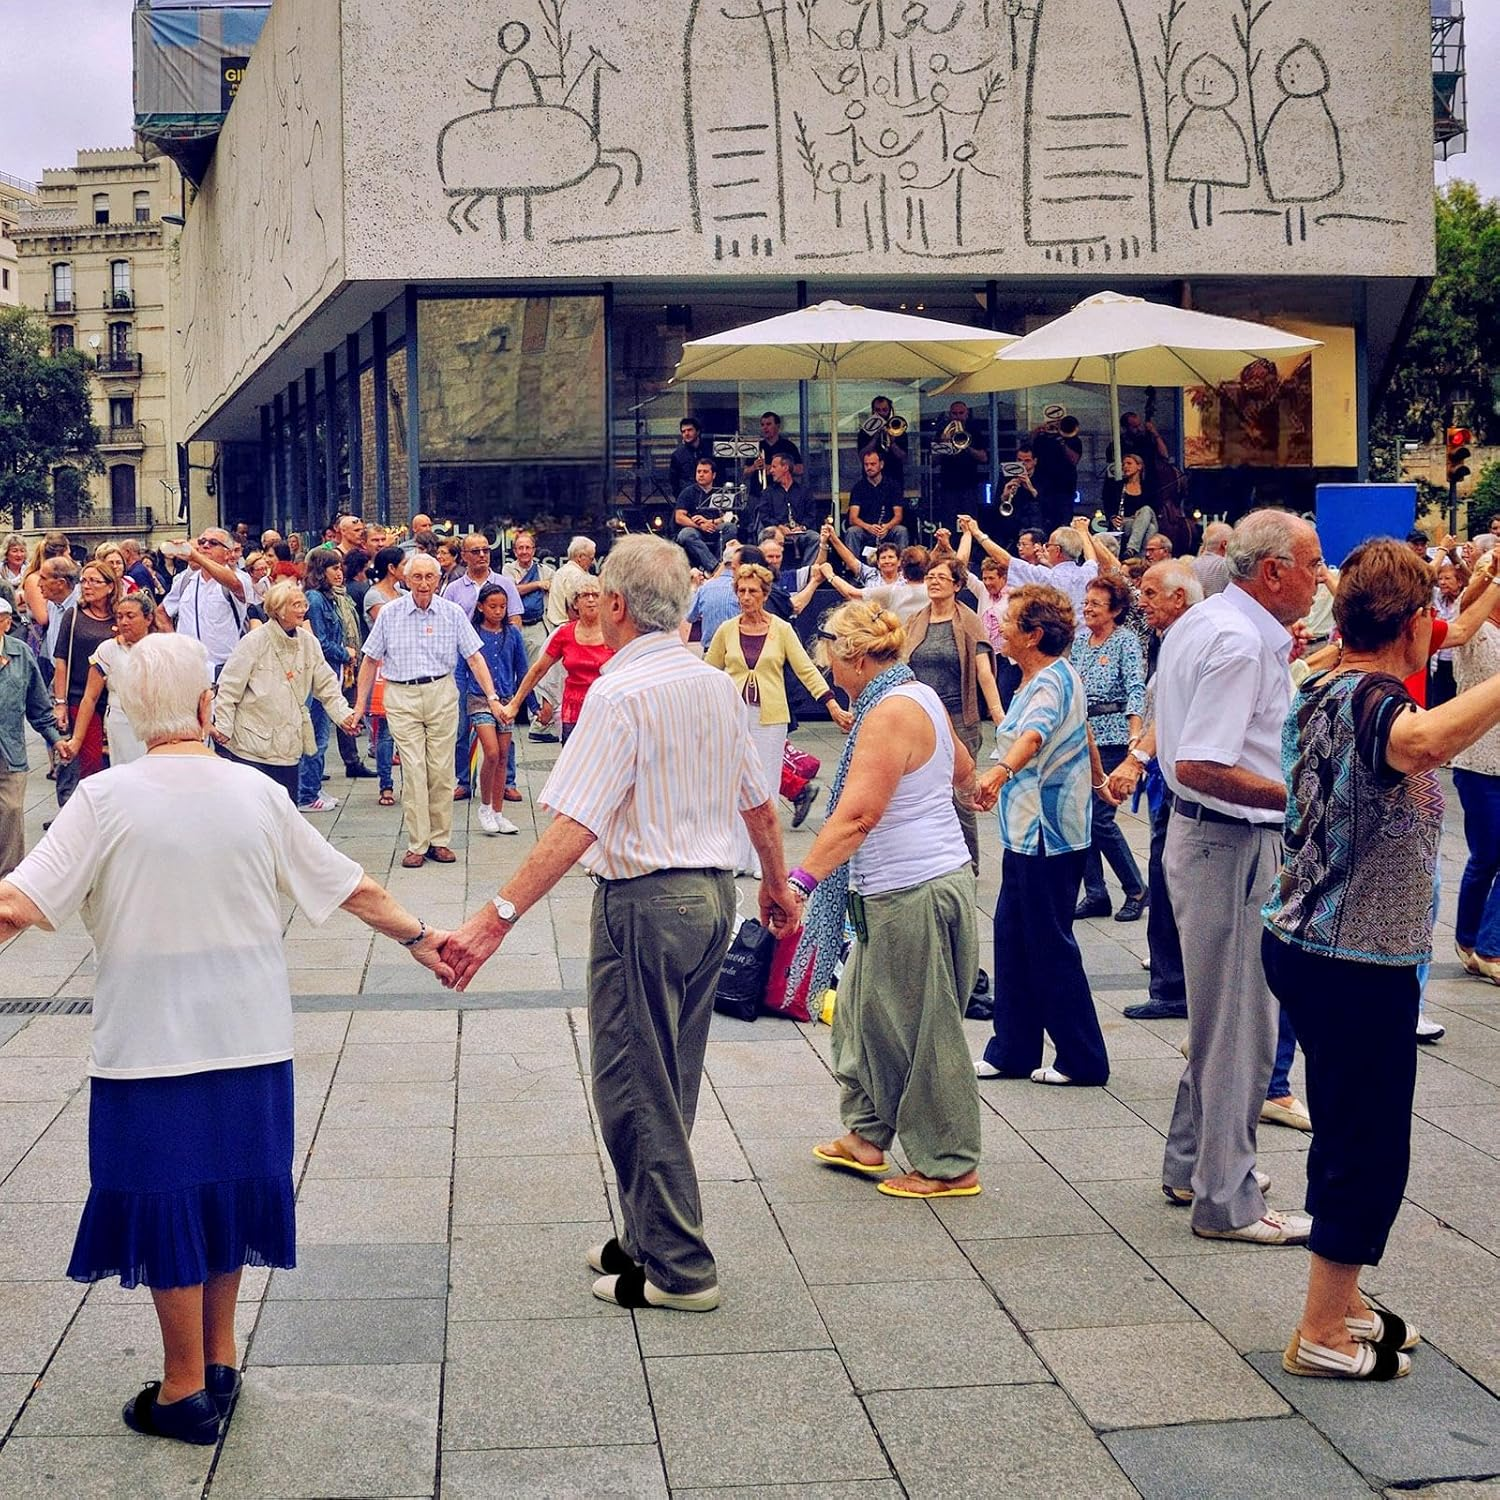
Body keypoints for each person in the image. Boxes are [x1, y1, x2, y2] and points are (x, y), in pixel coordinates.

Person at [0, 633, 452, 1445]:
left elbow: (15, 908)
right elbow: (352, 885)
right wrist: (424, 939)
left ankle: (181, 1393)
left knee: (168, 1200)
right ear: (210, 707)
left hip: (150, 1045)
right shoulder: (256, 795)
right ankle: (218, 1360)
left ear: (134, 715)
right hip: (252, 1039)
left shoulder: (103, 800)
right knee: (233, 1192)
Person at [438, 535, 797, 1313]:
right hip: (710, 898)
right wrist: (771, 881)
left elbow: (573, 825)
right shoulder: (710, 682)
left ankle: (678, 1266)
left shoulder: (617, 693)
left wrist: (493, 920)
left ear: (618, 606)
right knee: (669, 1074)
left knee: (634, 1082)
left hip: (646, 903)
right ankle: (643, 1233)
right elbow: (758, 802)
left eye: (599, 594)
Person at [1262, 538, 1500, 1379]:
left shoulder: (1328, 675)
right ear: (1410, 626)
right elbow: (1425, 743)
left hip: (1316, 943)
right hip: (1351, 958)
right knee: (1366, 1143)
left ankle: (1347, 1296)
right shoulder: (1368, 698)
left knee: (1349, 1123)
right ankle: (1324, 1328)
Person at [1154, 509, 1322, 1245]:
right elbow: (1201, 763)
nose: (1321, 579)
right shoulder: (1238, 640)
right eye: (1314, 566)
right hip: (1229, 841)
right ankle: (1226, 1199)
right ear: (1275, 571)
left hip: (1211, 841)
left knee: (1222, 1023)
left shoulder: (1214, 618)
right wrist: (1301, 794)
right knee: (1240, 1032)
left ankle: (1197, 1164)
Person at [781, 600, 983, 1198]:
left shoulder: (890, 711)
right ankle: (867, 1135)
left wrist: (800, 881)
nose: (827, 672)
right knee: (865, 1016)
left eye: (831, 660)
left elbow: (858, 815)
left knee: (924, 1031)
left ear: (857, 658)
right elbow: (962, 768)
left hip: (910, 889)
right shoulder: (915, 694)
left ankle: (951, 1162)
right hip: (902, 885)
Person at [973, 585, 1113, 1087]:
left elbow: (1032, 737)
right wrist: (1101, 782)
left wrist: (997, 774)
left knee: (1050, 944)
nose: (1000, 628)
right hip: (1028, 833)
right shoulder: (1042, 676)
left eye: (1009, 622)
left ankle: (1083, 1059)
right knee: (1012, 937)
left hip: (1046, 837)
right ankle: (1012, 1048)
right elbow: (1086, 733)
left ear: (1033, 635)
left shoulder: (1049, 684)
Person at [352, 555, 508, 868]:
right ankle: (417, 844)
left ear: (438, 581)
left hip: (441, 692)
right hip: (402, 694)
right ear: (406, 580)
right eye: (418, 577)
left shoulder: (451, 613)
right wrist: (359, 707)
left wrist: (492, 697)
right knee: (413, 769)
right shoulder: (390, 613)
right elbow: (369, 660)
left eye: (429, 577)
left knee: (440, 769)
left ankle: (440, 840)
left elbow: (475, 657)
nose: (424, 584)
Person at [1107, 561, 1204, 1020]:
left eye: (1148, 594)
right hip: (1168, 781)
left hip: (1182, 783)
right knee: (1166, 879)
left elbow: (1172, 716)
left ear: (1178, 598)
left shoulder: (1191, 642)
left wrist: (1136, 758)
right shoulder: (1172, 641)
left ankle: (1173, 989)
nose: (1140, 603)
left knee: (1169, 883)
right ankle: (1171, 984)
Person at [706, 563, 851, 868]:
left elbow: (806, 669)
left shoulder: (781, 630)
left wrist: (831, 704)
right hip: (733, 717)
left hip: (770, 718)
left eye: (752, 592)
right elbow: (708, 671)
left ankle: (763, 862)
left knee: (767, 785)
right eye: (741, 591)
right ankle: (736, 857)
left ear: (764, 594)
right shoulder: (726, 630)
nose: (746, 597)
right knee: (734, 785)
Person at [903, 555, 1005, 873]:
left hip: (960, 718)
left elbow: (984, 673)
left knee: (961, 793)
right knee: (923, 791)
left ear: (957, 585)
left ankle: (968, 862)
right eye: (930, 576)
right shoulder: (916, 620)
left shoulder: (968, 621)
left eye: (941, 577)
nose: (933, 581)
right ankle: (932, 860)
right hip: (922, 720)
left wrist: (999, 716)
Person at [1071, 574, 1149, 922]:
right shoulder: (1080, 643)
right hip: (1083, 736)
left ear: (1115, 610)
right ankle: (1096, 893)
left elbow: (1136, 688)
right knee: (1082, 817)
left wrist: (1135, 738)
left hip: (1115, 735)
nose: (1087, 608)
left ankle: (1136, 888)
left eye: (1095, 604)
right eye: (1086, 602)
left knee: (1101, 819)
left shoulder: (1126, 641)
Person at [296, 549, 367, 810]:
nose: (340, 573)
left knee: (321, 734)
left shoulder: (330, 598)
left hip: (332, 674)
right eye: (333, 568)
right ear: (320, 571)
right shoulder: (314, 599)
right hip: (319, 676)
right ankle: (307, 793)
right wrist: (345, 653)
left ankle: (313, 787)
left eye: (340, 568)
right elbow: (319, 642)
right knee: (317, 735)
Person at [504, 577, 614, 745]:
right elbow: (538, 670)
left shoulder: (614, 633)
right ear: (575, 603)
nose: (591, 600)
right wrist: (515, 703)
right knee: (575, 767)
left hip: (606, 709)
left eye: (595, 595)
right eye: (585, 595)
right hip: (573, 711)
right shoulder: (564, 634)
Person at [0, 597, 65, 877]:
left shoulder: (21, 654)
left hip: (9, 752)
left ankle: (7, 883)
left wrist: (57, 739)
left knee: (12, 812)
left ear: (5, 622)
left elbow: (39, 707)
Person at [460, 583, 528, 835]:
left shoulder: (512, 634)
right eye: (493, 606)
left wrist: (529, 702)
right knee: (490, 751)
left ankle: (498, 812)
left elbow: (523, 669)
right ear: (480, 606)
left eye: (502, 606)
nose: (498, 611)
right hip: (478, 698)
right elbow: (462, 668)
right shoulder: (473, 632)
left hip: (507, 699)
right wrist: (460, 694)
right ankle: (485, 806)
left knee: (502, 756)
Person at [53, 560, 122, 804]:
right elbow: (61, 659)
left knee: (116, 757)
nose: (87, 586)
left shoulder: (120, 616)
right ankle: (83, 807)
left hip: (115, 697)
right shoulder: (74, 616)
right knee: (89, 759)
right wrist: (59, 702)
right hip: (80, 696)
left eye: (94, 581)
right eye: (84, 581)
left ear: (110, 586)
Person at [61, 594, 158, 768]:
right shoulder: (108, 650)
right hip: (120, 724)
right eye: (120, 616)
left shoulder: (162, 648)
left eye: (130, 616)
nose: (124, 622)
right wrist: (76, 740)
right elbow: (89, 698)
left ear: (148, 618)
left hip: (156, 724)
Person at [158, 529, 253, 678]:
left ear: (227, 553)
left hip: (225, 672)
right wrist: (176, 645)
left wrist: (196, 556)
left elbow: (234, 584)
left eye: (213, 543)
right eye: (202, 542)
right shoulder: (186, 580)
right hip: (188, 671)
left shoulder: (241, 578)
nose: (205, 546)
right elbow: (162, 613)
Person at [963, 517, 1104, 616]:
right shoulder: (1088, 573)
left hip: (1058, 645)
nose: (1045, 548)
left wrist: (977, 533)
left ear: (1057, 550)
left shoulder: (1046, 576)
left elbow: (1006, 560)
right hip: (1085, 642)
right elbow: (1092, 558)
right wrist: (1083, 532)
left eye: (1048, 545)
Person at [533, 536, 597, 741]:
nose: (593, 562)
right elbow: (575, 608)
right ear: (580, 557)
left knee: (553, 681)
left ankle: (545, 722)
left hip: (558, 628)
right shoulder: (576, 576)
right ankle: (544, 722)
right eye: (591, 557)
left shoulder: (562, 572)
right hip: (570, 631)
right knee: (561, 681)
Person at [844, 449, 909, 558]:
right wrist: (868, 527)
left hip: (887, 529)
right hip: (866, 529)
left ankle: (901, 568)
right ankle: (853, 570)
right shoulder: (858, 487)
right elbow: (853, 518)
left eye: (873, 464)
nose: (869, 468)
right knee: (852, 532)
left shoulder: (893, 486)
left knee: (901, 531)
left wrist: (887, 527)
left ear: (881, 464)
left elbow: (898, 516)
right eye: (866, 464)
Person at [675, 459, 735, 572]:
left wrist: (710, 522)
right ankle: (715, 568)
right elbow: (679, 517)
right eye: (699, 471)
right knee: (686, 534)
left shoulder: (721, 492)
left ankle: (720, 562)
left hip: (715, 527)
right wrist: (700, 525)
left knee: (730, 528)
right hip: (695, 529)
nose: (701, 475)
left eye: (705, 472)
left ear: (714, 475)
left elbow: (729, 516)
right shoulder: (687, 492)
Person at [761, 453, 821, 565]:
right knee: (765, 535)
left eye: (774, 467)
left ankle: (806, 572)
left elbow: (811, 515)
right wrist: (780, 527)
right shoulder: (768, 492)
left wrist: (801, 527)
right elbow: (764, 516)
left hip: (799, 532)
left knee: (815, 538)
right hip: (777, 531)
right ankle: (769, 573)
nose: (771, 471)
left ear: (785, 468)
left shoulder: (804, 491)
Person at [1105, 453, 1157, 557]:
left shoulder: (1148, 486)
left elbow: (1155, 507)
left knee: (1146, 510)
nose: (1125, 467)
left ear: (1139, 466)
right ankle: (1138, 558)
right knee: (1150, 528)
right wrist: (1113, 518)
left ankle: (1132, 548)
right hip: (1127, 522)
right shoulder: (1118, 486)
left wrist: (1140, 516)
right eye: (1124, 464)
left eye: (1129, 463)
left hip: (1145, 519)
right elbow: (1108, 505)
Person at [856, 395, 908, 491]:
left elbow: (904, 458)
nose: (881, 413)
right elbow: (861, 456)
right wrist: (875, 438)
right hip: (871, 480)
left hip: (894, 476)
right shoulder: (865, 432)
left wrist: (892, 443)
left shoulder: (898, 429)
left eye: (885, 410)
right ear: (873, 411)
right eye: (878, 410)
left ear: (890, 410)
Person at [669, 415, 718, 494]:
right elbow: (674, 480)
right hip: (688, 496)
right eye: (683, 431)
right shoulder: (677, 455)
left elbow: (720, 473)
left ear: (698, 431)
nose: (686, 433)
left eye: (690, 430)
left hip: (711, 495)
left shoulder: (711, 451)